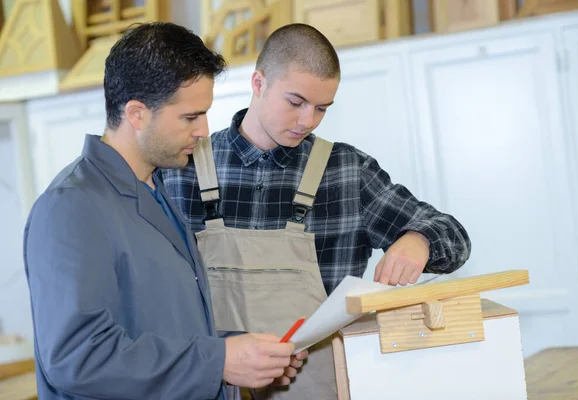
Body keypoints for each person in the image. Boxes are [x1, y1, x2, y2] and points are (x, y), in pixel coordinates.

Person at [160, 23, 471, 399]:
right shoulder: (181, 167)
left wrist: (419, 240)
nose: (308, 120)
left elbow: (454, 236)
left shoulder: (346, 171)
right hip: (211, 387)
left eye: (321, 108)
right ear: (258, 83)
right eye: (295, 102)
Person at [23, 22, 307, 400]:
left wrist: (246, 356)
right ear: (137, 114)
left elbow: (167, 332)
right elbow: (78, 357)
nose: (203, 131)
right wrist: (218, 361)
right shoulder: (71, 207)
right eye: (190, 117)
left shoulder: (157, 191)